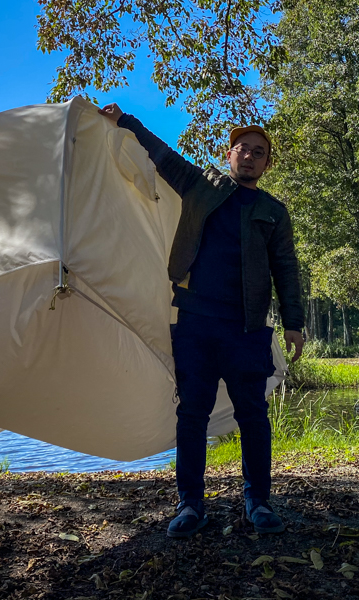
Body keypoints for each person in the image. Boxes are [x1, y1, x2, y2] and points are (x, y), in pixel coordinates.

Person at [98, 103, 305, 538]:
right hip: (194, 321)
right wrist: (127, 121)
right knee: (191, 415)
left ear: (266, 165)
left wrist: (293, 321)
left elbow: (286, 267)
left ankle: (257, 502)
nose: (249, 156)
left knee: (253, 415)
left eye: (259, 152)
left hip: (247, 328)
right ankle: (190, 505)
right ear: (228, 155)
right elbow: (160, 153)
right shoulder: (201, 184)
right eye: (242, 149)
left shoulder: (274, 212)